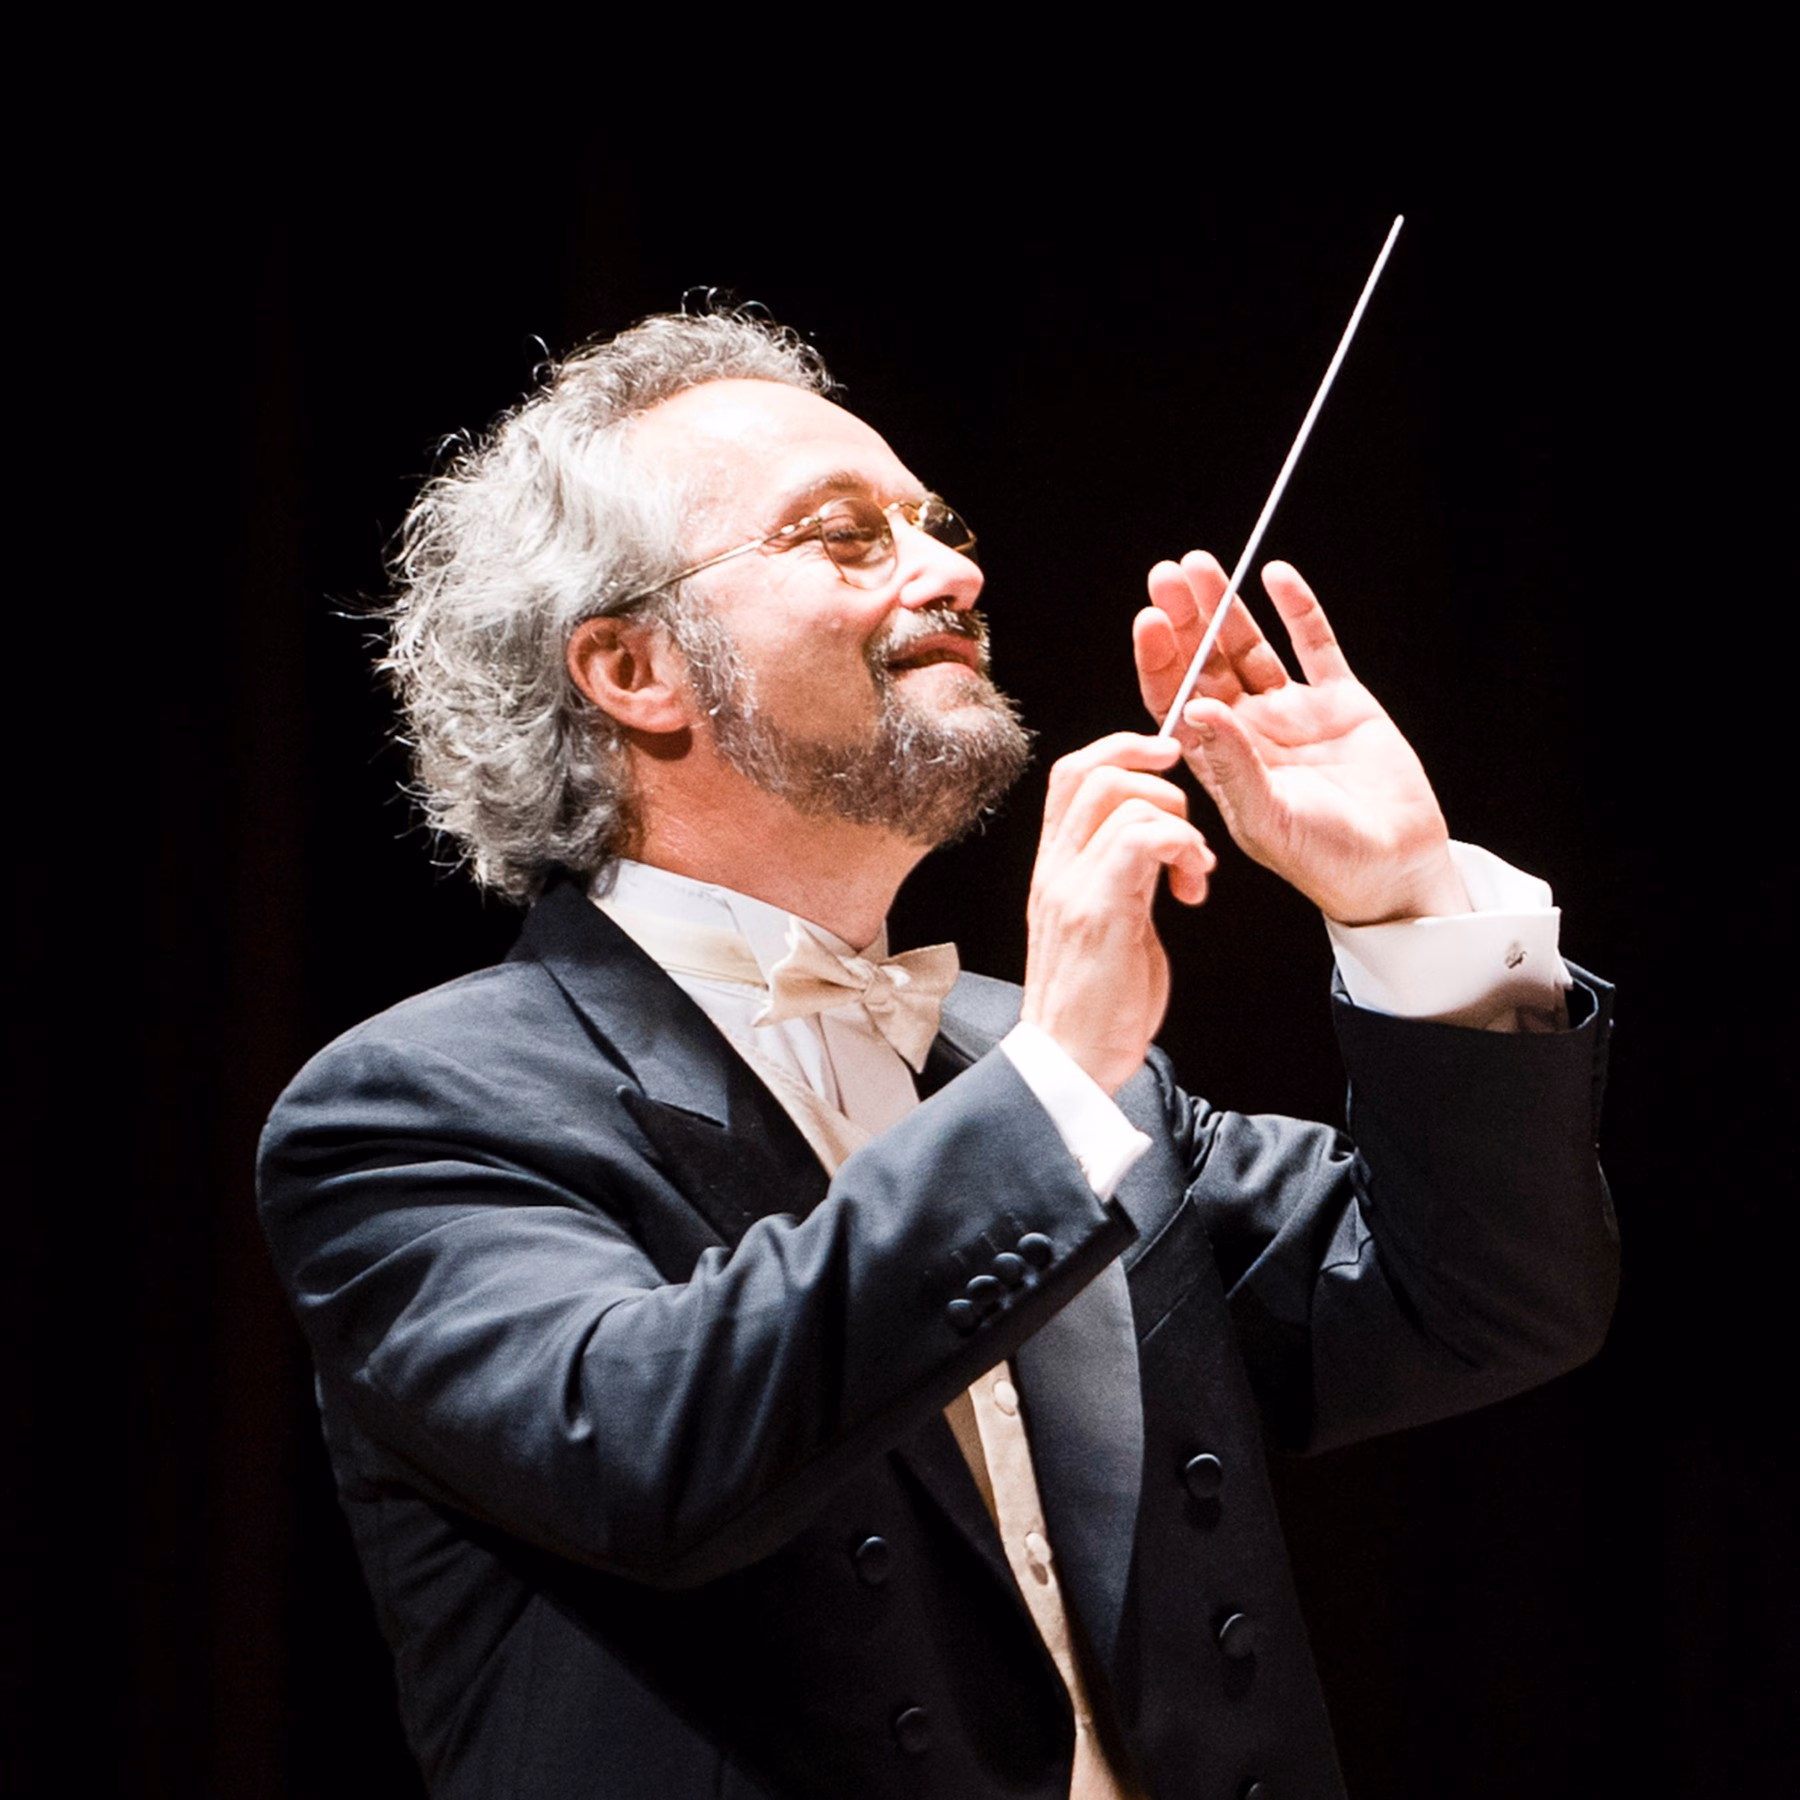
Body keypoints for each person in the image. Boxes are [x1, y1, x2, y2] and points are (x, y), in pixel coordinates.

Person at [258, 312, 1618, 1800]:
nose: (956, 569)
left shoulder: (1057, 1072)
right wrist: (1047, 1089)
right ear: (635, 667)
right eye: (843, 538)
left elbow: (1486, 1305)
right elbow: (657, 1449)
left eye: (938, 524)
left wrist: (1405, 900)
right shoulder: (408, 1113)